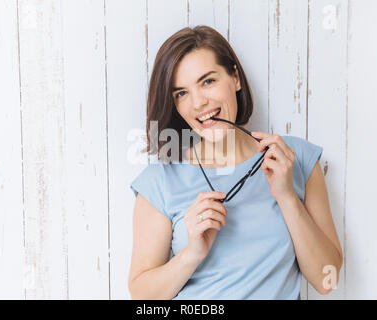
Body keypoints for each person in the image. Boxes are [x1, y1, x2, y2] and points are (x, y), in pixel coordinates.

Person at [128, 25, 342, 300]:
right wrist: (192, 253)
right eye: (181, 93)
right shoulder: (160, 180)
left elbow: (327, 280)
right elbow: (142, 296)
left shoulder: (294, 158)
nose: (198, 103)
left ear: (235, 78)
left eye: (208, 81)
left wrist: (287, 196)